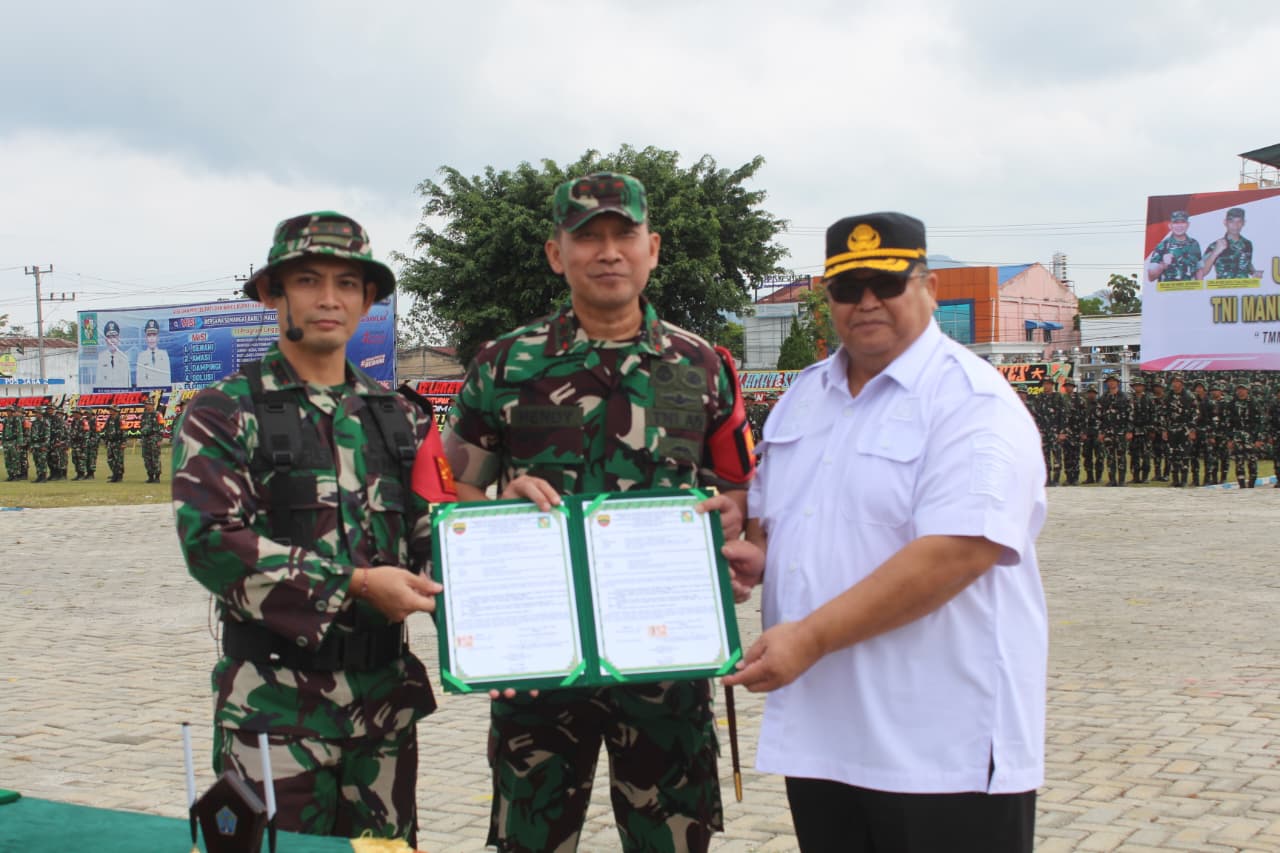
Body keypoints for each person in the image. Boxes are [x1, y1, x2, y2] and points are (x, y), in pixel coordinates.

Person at [441, 172, 755, 853]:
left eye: (624, 234)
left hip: (668, 661)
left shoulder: (701, 365)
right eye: (588, 238)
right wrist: (498, 523)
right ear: (557, 255)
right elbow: (451, 493)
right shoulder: (505, 366)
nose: (608, 252)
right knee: (531, 842)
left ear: (653, 248)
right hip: (540, 665)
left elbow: (739, 486)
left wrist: (727, 525)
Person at [722, 212, 1046, 853]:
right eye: (848, 289)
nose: (866, 302)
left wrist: (810, 637)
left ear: (929, 288)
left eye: (887, 284)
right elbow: (774, 523)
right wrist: (753, 554)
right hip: (824, 735)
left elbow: (956, 553)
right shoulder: (803, 397)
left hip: (940, 744)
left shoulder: (970, 401)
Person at [172, 211, 454, 844]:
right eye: (308, 280)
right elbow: (211, 542)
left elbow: (432, 539)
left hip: (383, 713)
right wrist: (355, 583)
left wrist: (500, 642)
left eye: (347, 283)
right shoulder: (225, 410)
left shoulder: (401, 418)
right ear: (273, 294)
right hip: (275, 712)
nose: (329, 298)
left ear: (368, 299)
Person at [1198, 207, 1260, 280]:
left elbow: (1247, 263)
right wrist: (1215, 252)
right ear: (1225, 222)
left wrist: (1254, 272)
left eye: (1239, 221)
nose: (1235, 225)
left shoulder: (1247, 244)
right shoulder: (1215, 245)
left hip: (1243, 286)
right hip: (1223, 286)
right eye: (1231, 221)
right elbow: (1201, 273)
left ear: (1243, 223)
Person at [1224, 379, 1263, 488]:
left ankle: (1252, 483)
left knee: (1252, 460)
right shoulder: (1232, 404)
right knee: (1239, 461)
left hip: (1251, 436)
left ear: (1247, 390)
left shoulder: (1254, 403)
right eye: (1239, 389)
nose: (1241, 391)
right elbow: (1228, 423)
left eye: (1243, 389)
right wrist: (1229, 439)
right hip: (1237, 436)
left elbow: (1260, 422)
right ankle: (1241, 484)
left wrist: (1259, 438)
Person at [1145, 210, 1202, 282]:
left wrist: (1200, 286)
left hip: (1190, 288)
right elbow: (1151, 277)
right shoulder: (1162, 245)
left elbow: (1199, 270)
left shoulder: (1194, 244)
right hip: (1169, 288)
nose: (1179, 226)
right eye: (1175, 222)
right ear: (1170, 225)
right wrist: (1163, 265)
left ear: (1188, 225)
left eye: (1182, 222)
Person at [1098, 375, 1132, 486]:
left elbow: (1130, 414)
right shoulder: (1103, 398)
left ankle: (1122, 480)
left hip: (1121, 431)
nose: (1111, 383)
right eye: (1109, 381)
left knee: (1121, 456)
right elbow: (1099, 416)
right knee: (1110, 457)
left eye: (1113, 381)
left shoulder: (1125, 397)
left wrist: (1129, 431)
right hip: (1108, 432)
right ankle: (1112, 480)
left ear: (1118, 383)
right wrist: (1101, 432)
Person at [135, 318, 173, 386]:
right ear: (146, 338)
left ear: (158, 338)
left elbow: (167, 379)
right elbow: (139, 382)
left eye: (154, 335)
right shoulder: (141, 357)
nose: (152, 339)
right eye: (149, 335)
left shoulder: (164, 355)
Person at [95, 320, 133, 388]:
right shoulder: (101, 358)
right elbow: (98, 383)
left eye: (114, 337)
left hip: (121, 393)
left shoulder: (124, 357)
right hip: (106, 394)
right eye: (109, 337)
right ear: (106, 340)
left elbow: (128, 383)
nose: (112, 340)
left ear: (118, 338)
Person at [139, 398, 164, 483]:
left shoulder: (157, 414)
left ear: (153, 405)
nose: (147, 406)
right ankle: (150, 476)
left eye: (149, 404)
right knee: (146, 458)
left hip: (154, 438)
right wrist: (142, 437)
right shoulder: (144, 415)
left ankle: (157, 476)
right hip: (145, 439)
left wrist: (159, 439)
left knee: (155, 458)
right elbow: (141, 426)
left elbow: (161, 427)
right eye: (146, 404)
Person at [103, 405, 126, 482]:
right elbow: (106, 430)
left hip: (118, 442)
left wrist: (123, 442)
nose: (110, 411)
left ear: (116, 411)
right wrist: (106, 441)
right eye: (110, 410)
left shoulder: (120, 419)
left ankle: (118, 476)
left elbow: (124, 431)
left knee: (118, 460)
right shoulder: (109, 419)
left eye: (111, 410)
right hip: (110, 442)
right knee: (110, 459)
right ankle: (114, 473)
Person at [2, 403, 24, 481]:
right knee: (7, 459)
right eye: (7, 411)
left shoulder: (16, 419)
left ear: (12, 411)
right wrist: (3, 441)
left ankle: (16, 475)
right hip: (6, 442)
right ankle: (10, 474)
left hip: (14, 442)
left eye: (9, 411)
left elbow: (19, 432)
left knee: (15, 459)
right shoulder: (5, 420)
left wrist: (19, 443)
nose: (8, 412)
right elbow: (4, 431)